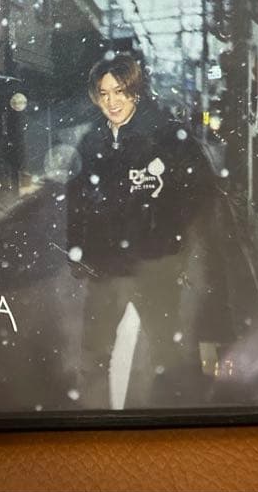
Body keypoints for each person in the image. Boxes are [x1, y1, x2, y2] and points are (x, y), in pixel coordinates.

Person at [66, 53, 205, 409]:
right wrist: (76, 250)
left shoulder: (166, 136)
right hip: (106, 264)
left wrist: (170, 238)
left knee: (165, 349)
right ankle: (93, 423)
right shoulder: (91, 141)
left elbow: (197, 191)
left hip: (154, 262)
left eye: (119, 91)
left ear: (135, 92)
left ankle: (169, 421)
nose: (111, 102)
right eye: (104, 93)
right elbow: (76, 201)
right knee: (94, 349)